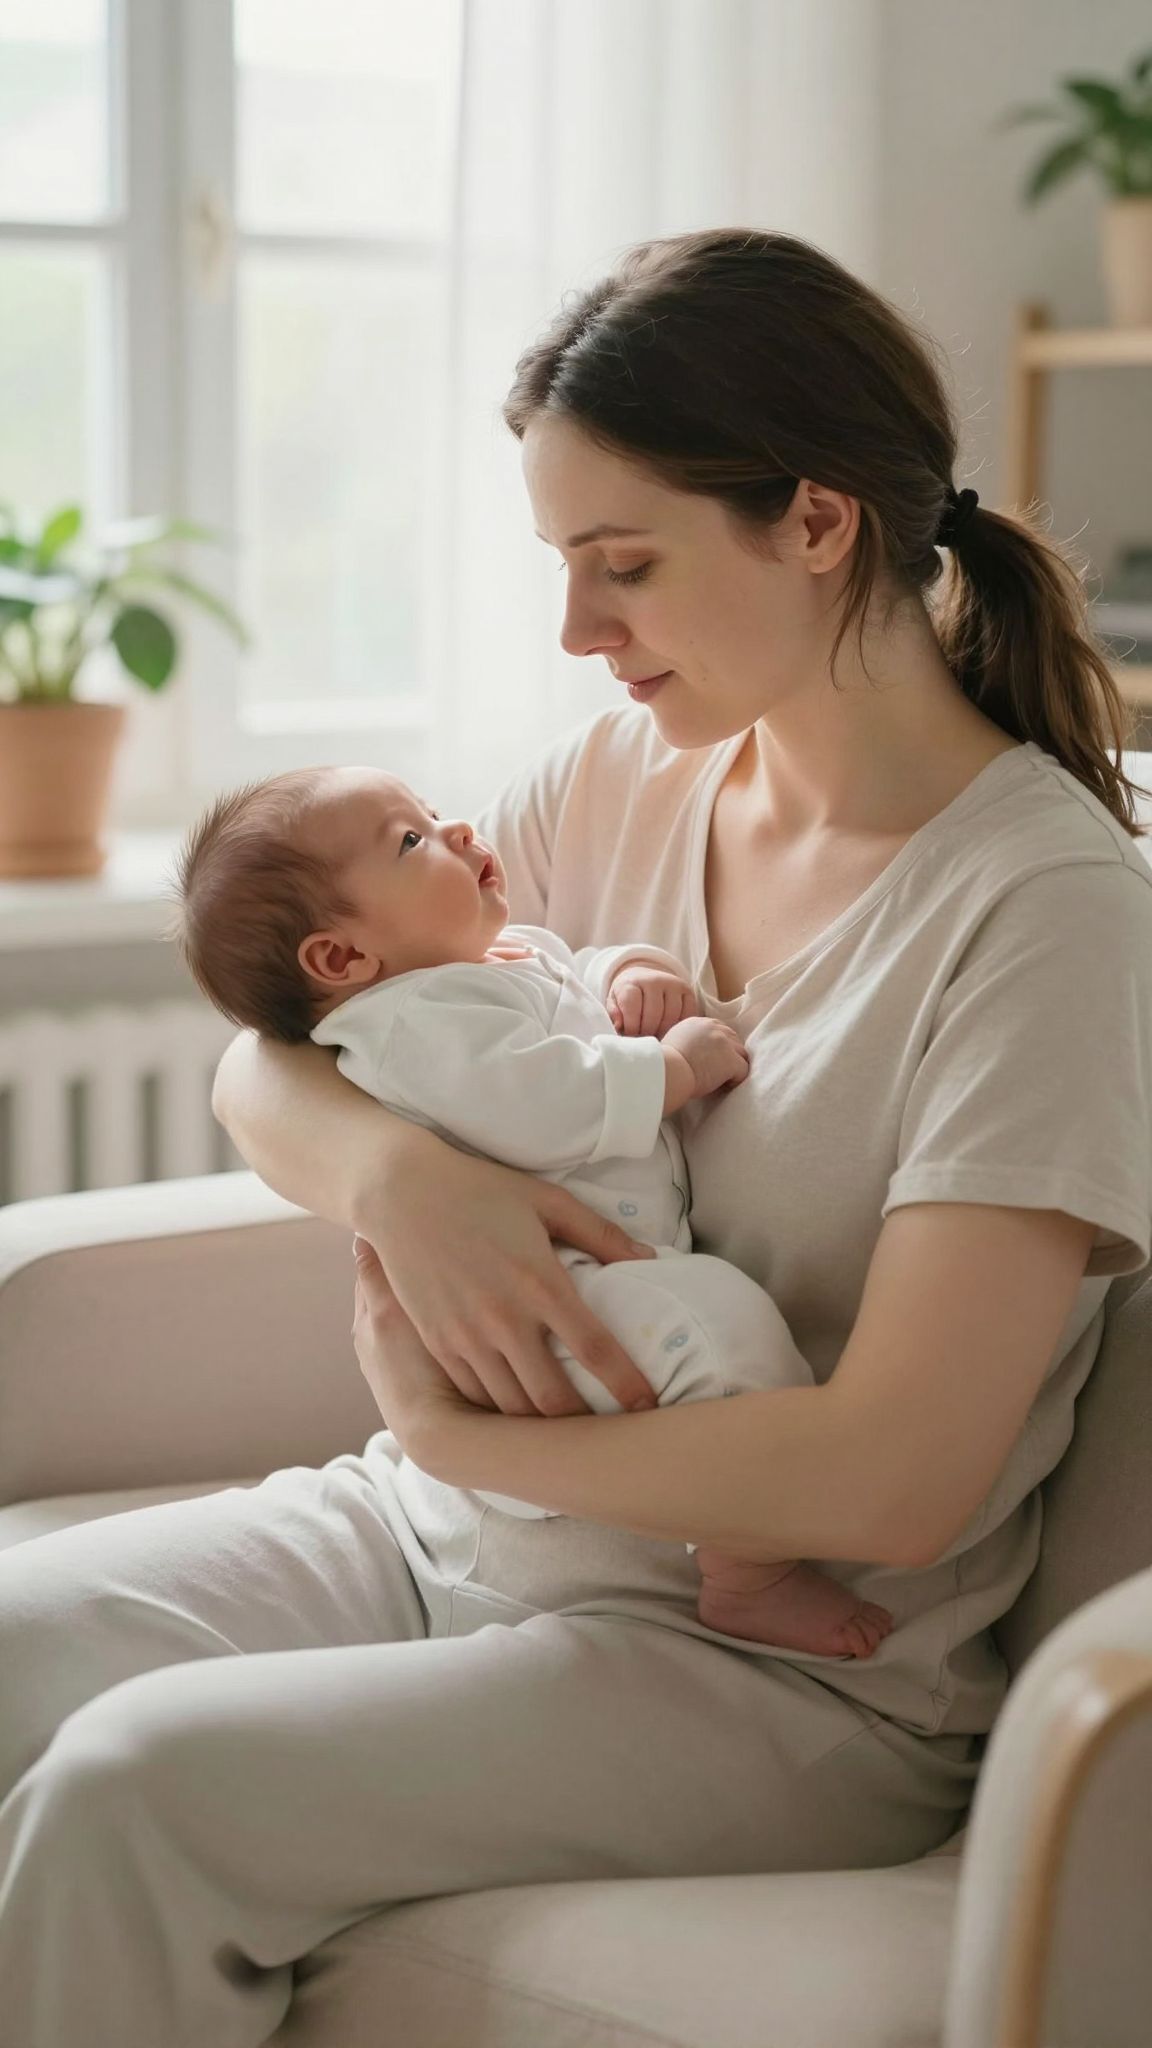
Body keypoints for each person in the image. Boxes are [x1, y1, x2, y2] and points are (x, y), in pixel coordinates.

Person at [1, 225, 1151, 2048]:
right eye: (562, 563)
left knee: (136, 1784)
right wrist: (407, 1180)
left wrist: (463, 1424)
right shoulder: (630, 769)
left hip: (779, 1671)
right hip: (441, 1524)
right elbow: (277, 1052)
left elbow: (896, 1478)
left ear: (819, 521)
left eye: (624, 564)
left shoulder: (1047, 913)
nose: (575, 630)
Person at [170, 760, 897, 1657]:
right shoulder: (406, 1024)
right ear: (343, 958)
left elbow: (574, 977)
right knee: (721, 1332)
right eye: (413, 840)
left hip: (596, 1284)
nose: (461, 832)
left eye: (433, 813)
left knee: (713, 1323)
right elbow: (539, 1099)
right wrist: (676, 1067)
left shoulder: (487, 956)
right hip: (558, 1300)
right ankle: (753, 1575)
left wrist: (635, 970)